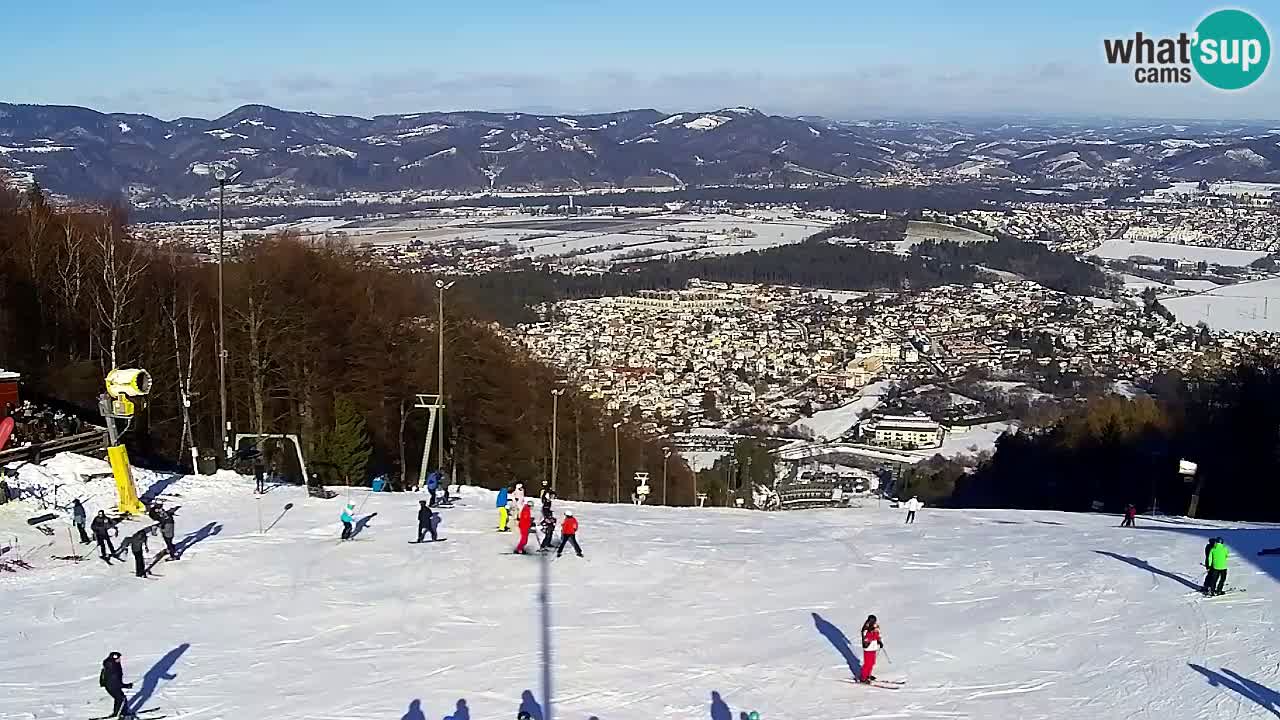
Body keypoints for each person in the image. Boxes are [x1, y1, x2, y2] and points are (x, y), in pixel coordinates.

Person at [100, 651, 133, 719]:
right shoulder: (113, 668)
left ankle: (122, 713)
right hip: (112, 687)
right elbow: (116, 682)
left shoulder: (112, 664)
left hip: (111, 686)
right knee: (121, 699)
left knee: (120, 698)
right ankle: (117, 715)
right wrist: (126, 686)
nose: (120, 659)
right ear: (114, 658)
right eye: (118, 658)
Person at [860, 615, 884, 683]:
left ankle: (868, 675)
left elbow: (877, 634)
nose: (874, 622)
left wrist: (879, 641)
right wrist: (873, 635)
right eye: (872, 621)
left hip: (873, 647)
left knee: (872, 663)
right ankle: (863, 677)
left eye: (874, 621)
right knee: (867, 663)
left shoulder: (875, 627)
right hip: (868, 648)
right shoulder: (865, 629)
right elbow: (866, 639)